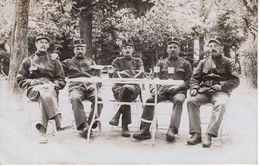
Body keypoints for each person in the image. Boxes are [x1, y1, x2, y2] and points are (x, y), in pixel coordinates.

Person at [133, 37, 192, 142]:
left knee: (179, 100)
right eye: (170, 47)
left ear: (179, 50)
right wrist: (153, 89)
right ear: (167, 50)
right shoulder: (161, 63)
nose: (172, 49)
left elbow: (189, 82)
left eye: (175, 47)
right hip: (163, 91)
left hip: (178, 91)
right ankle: (145, 130)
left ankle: (172, 130)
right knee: (150, 100)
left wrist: (178, 87)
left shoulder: (186, 64)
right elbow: (153, 78)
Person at [186, 35, 240, 148]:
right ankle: (196, 134)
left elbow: (235, 81)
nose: (212, 48)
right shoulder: (203, 62)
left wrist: (221, 86)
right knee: (191, 101)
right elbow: (194, 78)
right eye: (210, 46)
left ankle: (209, 135)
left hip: (220, 92)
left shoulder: (229, 62)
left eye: (215, 46)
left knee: (221, 104)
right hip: (204, 91)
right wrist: (195, 88)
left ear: (221, 48)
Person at [17, 35, 66, 143]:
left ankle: (42, 133)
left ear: (48, 45)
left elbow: (61, 79)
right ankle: (58, 119)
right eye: (40, 42)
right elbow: (20, 79)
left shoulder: (54, 61)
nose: (43, 44)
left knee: (45, 94)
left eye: (45, 42)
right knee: (44, 92)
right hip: (34, 90)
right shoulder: (28, 61)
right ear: (36, 44)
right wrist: (31, 82)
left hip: (50, 89)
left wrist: (55, 85)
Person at [62, 39, 103, 139]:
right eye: (77, 49)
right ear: (74, 50)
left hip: (90, 88)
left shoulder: (91, 62)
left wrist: (95, 87)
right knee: (75, 98)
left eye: (82, 49)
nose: (80, 51)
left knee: (99, 99)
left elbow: (98, 79)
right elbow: (58, 71)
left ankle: (91, 123)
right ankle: (83, 126)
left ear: (85, 50)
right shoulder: (67, 62)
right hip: (75, 88)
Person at [109, 39, 145, 137]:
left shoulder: (138, 61)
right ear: (122, 50)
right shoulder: (117, 61)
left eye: (129, 48)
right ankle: (124, 126)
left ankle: (120, 120)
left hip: (134, 89)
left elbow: (141, 74)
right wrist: (131, 74)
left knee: (127, 89)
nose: (127, 50)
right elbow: (114, 74)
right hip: (118, 89)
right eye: (125, 48)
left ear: (133, 49)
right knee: (125, 90)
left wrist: (124, 73)